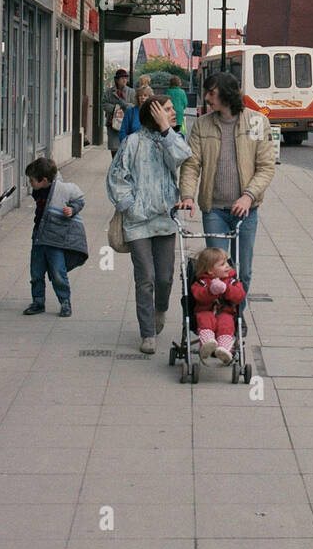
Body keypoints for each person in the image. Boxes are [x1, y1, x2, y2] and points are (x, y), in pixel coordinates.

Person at [178, 71, 276, 299]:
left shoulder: (257, 121)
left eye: (212, 93)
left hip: (246, 211)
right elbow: (192, 164)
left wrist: (248, 196)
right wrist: (188, 196)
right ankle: (216, 320)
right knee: (216, 272)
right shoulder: (203, 125)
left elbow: (266, 167)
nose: (207, 98)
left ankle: (236, 318)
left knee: (243, 272)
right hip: (214, 210)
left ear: (227, 93)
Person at [107, 94, 190, 353]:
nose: (173, 113)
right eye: (167, 110)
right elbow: (116, 177)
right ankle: (147, 333)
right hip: (138, 223)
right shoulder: (133, 142)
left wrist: (166, 129)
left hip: (165, 219)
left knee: (164, 278)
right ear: (153, 113)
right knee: (146, 278)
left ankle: (160, 309)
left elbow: (182, 156)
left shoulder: (171, 140)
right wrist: (131, 206)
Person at [23, 157, 88, 317]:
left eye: (32, 180)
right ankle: (38, 301)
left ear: (44, 180)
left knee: (59, 272)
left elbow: (80, 200)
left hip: (56, 239)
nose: (30, 183)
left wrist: (72, 209)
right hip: (39, 236)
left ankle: (65, 302)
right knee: (36, 273)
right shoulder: (37, 190)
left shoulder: (63, 190)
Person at [189, 244, 246, 365]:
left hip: (225, 312)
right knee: (205, 318)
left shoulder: (232, 280)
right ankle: (207, 344)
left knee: (226, 323)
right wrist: (211, 291)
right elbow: (198, 295)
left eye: (227, 263)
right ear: (210, 270)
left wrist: (227, 289)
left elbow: (239, 295)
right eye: (222, 264)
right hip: (205, 311)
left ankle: (224, 349)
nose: (227, 267)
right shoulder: (202, 282)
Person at [103, 69, 132, 156]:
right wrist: (116, 108)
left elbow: (135, 105)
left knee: (125, 149)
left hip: (126, 124)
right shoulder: (109, 92)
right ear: (116, 80)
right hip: (113, 124)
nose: (124, 80)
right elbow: (103, 104)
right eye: (122, 78)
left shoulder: (131, 92)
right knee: (114, 149)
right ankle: (115, 167)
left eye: (126, 78)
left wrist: (126, 105)